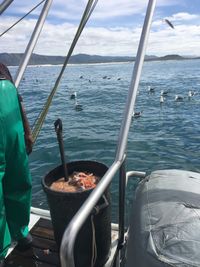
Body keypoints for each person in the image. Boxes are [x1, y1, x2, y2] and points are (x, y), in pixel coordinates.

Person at [0, 63, 33, 266]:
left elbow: (18, 100)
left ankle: (21, 231)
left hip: (14, 132)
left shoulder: (2, 68)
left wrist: (27, 131)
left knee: (20, 179)